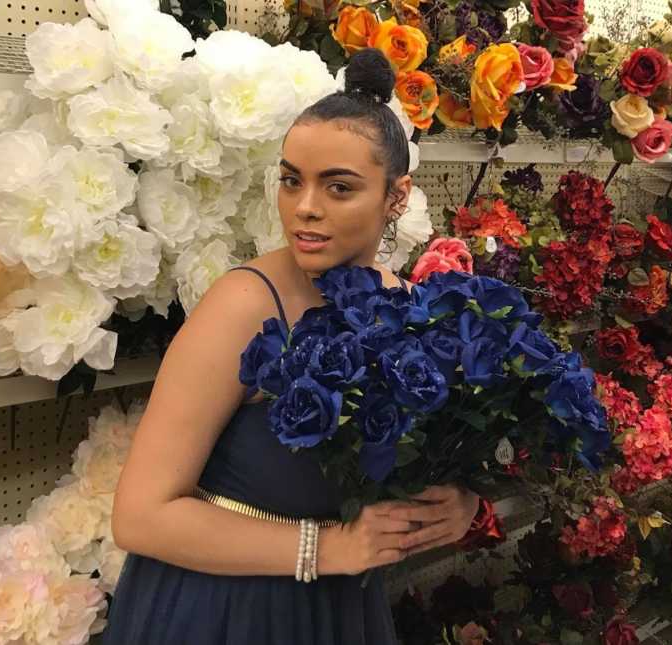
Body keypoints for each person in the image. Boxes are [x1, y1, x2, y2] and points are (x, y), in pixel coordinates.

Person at [104, 48, 480, 644]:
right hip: (223, 609)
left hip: (339, 606)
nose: (305, 207)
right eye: (291, 180)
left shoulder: (414, 309)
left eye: (338, 187)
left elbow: (410, 466)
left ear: (397, 195)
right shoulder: (243, 306)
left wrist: (454, 506)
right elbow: (140, 517)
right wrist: (327, 548)